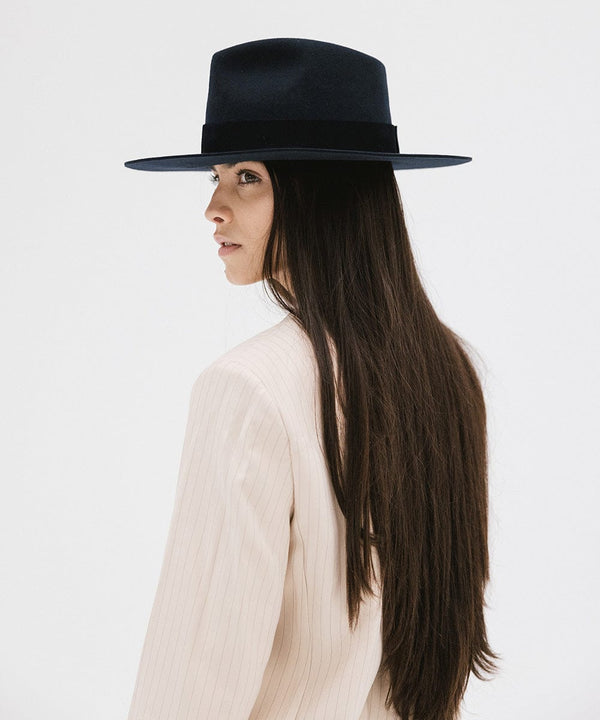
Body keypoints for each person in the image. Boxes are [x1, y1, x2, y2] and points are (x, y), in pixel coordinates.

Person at [123, 38, 501, 720]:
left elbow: (198, 671)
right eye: (215, 176)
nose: (214, 206)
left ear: (321, 195)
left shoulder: (247, 388)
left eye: (247, 177)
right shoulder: (448, 372)